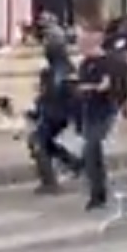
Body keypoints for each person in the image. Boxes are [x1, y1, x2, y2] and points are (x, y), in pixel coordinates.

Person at [74, 31, 124, 210]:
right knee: (92, 154)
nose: (79, 48)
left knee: (91, 148)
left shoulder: (108, 63)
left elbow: (106, 86)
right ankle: (97, 192)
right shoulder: (84, 64)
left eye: (82, 44)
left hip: (105, 111)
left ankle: (98, 193)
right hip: (89, 112)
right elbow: (81, 86)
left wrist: (92, 88)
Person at [30, 38, 82, 194]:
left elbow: (55, 96)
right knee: (47, 143)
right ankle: (74, 163)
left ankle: (50, 183)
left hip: (54, 115)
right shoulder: (65, 70)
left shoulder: (58, 72)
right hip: (57, 115)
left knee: (38, 143)